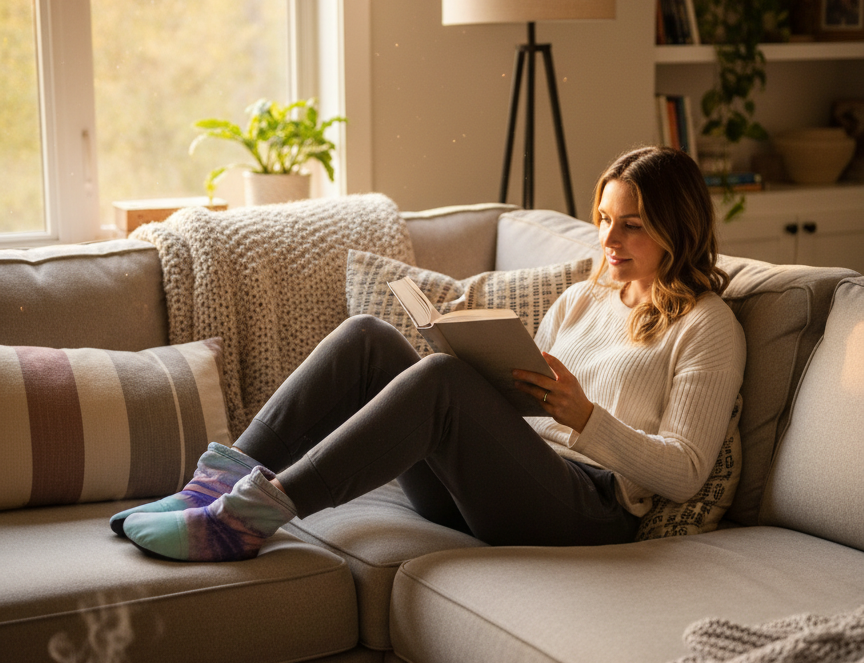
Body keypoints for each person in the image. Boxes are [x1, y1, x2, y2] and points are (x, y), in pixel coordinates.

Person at [112, 146, 746, 563]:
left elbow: (686, 471)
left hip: (589, 509)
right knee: (368, 337)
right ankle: (212, 485)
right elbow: (527, 407)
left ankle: (247, 519)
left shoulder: (707, 325)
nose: (608, 238)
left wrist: (586, 419)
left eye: (631, 224)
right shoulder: (583, 298)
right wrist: (490, 376)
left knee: (441, 380)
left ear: (677, 226)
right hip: (501, 485)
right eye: (603, 218)